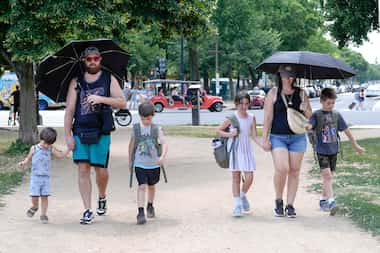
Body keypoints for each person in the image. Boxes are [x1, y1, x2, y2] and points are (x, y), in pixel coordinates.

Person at [64, 46, 126, 224]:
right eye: (89, 59)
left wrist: (101, 99)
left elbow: (122, 102)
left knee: (101, 170)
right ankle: (87, 210)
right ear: (84, 61)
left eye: (95, 58)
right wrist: (68, 135)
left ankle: (102, 195)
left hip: (101, 131)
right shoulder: (76, 82)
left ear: (100, 59)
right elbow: (69, 110)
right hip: (80, 131)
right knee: (83, 169)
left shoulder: (108, 78)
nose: (92, 61)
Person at [262, 64, 312, 218]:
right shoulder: (273, 93)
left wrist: (305, 108)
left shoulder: (302, 93)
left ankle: (290, 205)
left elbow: (310, 118)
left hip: (297, 137)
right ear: (280, 76)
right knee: (282, 168)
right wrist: (264, 138)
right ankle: (278, 199)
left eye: (291, 76)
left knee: (295, 171)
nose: (288, 78)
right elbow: (268, 117)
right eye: (285, 75)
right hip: (278, 137)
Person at [306, 87, 365, 214]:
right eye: (328, 103)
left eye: (333, 103)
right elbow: (309, 126)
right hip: (321, 150)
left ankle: (323, 199)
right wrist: (308, 126)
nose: (331, 106)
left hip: (334, 150)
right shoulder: (316, 115)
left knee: (328, 177)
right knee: (327, 176)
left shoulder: (336, 115)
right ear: (322, 101)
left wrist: (355, 145)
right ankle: (332, 201)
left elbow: (346, 130)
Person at [217, 92, 262, 217]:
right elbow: (219, 131)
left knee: (249, 177)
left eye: (246, 104)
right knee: (236, 178)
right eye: (241, 104)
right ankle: (237, 205)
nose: (244, 106)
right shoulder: (231, 118)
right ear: (236, 104)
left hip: (246, 149)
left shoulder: (251, 117)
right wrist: (230, 134)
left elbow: (254, 135)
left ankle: (242, 195)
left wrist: (263, 144)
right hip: (235, 150)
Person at [18, 127, 70, 224]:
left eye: (49, 144)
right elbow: (28, 158)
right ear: (40, 138)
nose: (46, 146)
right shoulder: (34, 148)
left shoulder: (50, 149)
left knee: (45, 196)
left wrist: (68, 149)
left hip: (45, 178)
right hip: (35, 177)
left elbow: (60, 155)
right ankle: (34, 206)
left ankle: (43, 214)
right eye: (45, 143)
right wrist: (24, 163)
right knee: (34, 196)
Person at [128, 102, 168, 224]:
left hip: (154, 164)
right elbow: (131, 145)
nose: (146, 121)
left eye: (148, 118)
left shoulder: (157, 129)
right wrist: (130, 160)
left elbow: (164, 143)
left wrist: (162, 156)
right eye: (143, 119)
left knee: (151, 186)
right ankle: (140, 212)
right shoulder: (135, 129)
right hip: (140, 164)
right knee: (142, 186)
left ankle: (150, 205)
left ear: (153, 116)